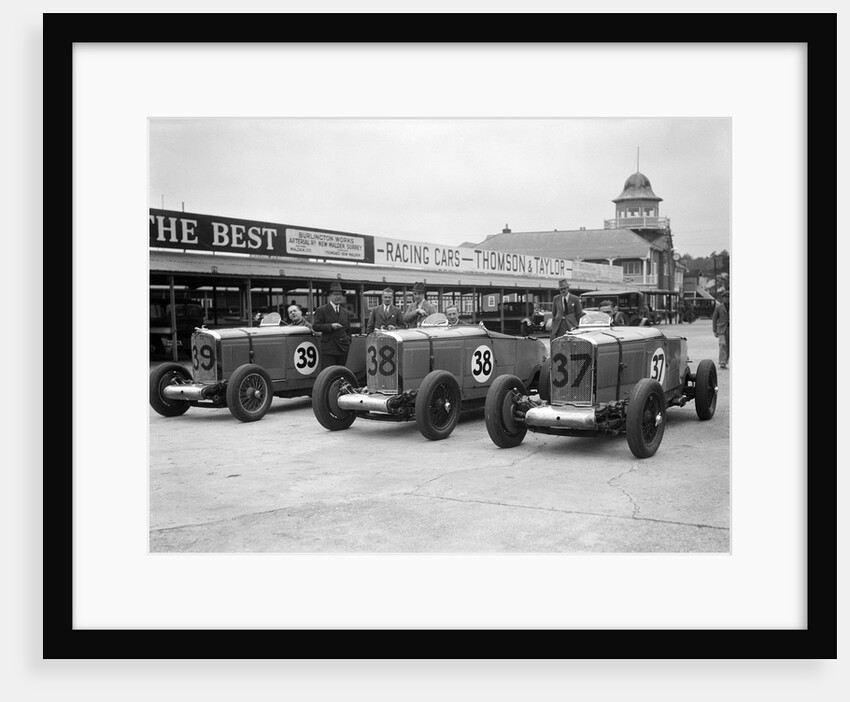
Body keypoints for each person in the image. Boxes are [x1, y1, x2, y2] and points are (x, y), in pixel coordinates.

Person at [312, 282, 352, 369]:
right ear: (330, 295)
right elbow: (315, 326)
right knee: (328, 374)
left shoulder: (345, 312)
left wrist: (348, 341)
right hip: (329, 349)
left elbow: (348, 330)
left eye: (340, 294)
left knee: (340, 373)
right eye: (335, 294)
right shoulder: (322, 310)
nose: (338, 297)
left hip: (343, 348)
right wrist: (331, 326)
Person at [712, 290, 730, 369]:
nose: (726, 299)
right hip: (722, 328)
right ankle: (722, 362)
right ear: (722, 298)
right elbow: (714, 319)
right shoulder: (719, 307)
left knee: (729, 346)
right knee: (723, 344)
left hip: (730, 328)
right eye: (725, 297)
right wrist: (714, 330)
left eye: (728, 297)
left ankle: (725, 361)